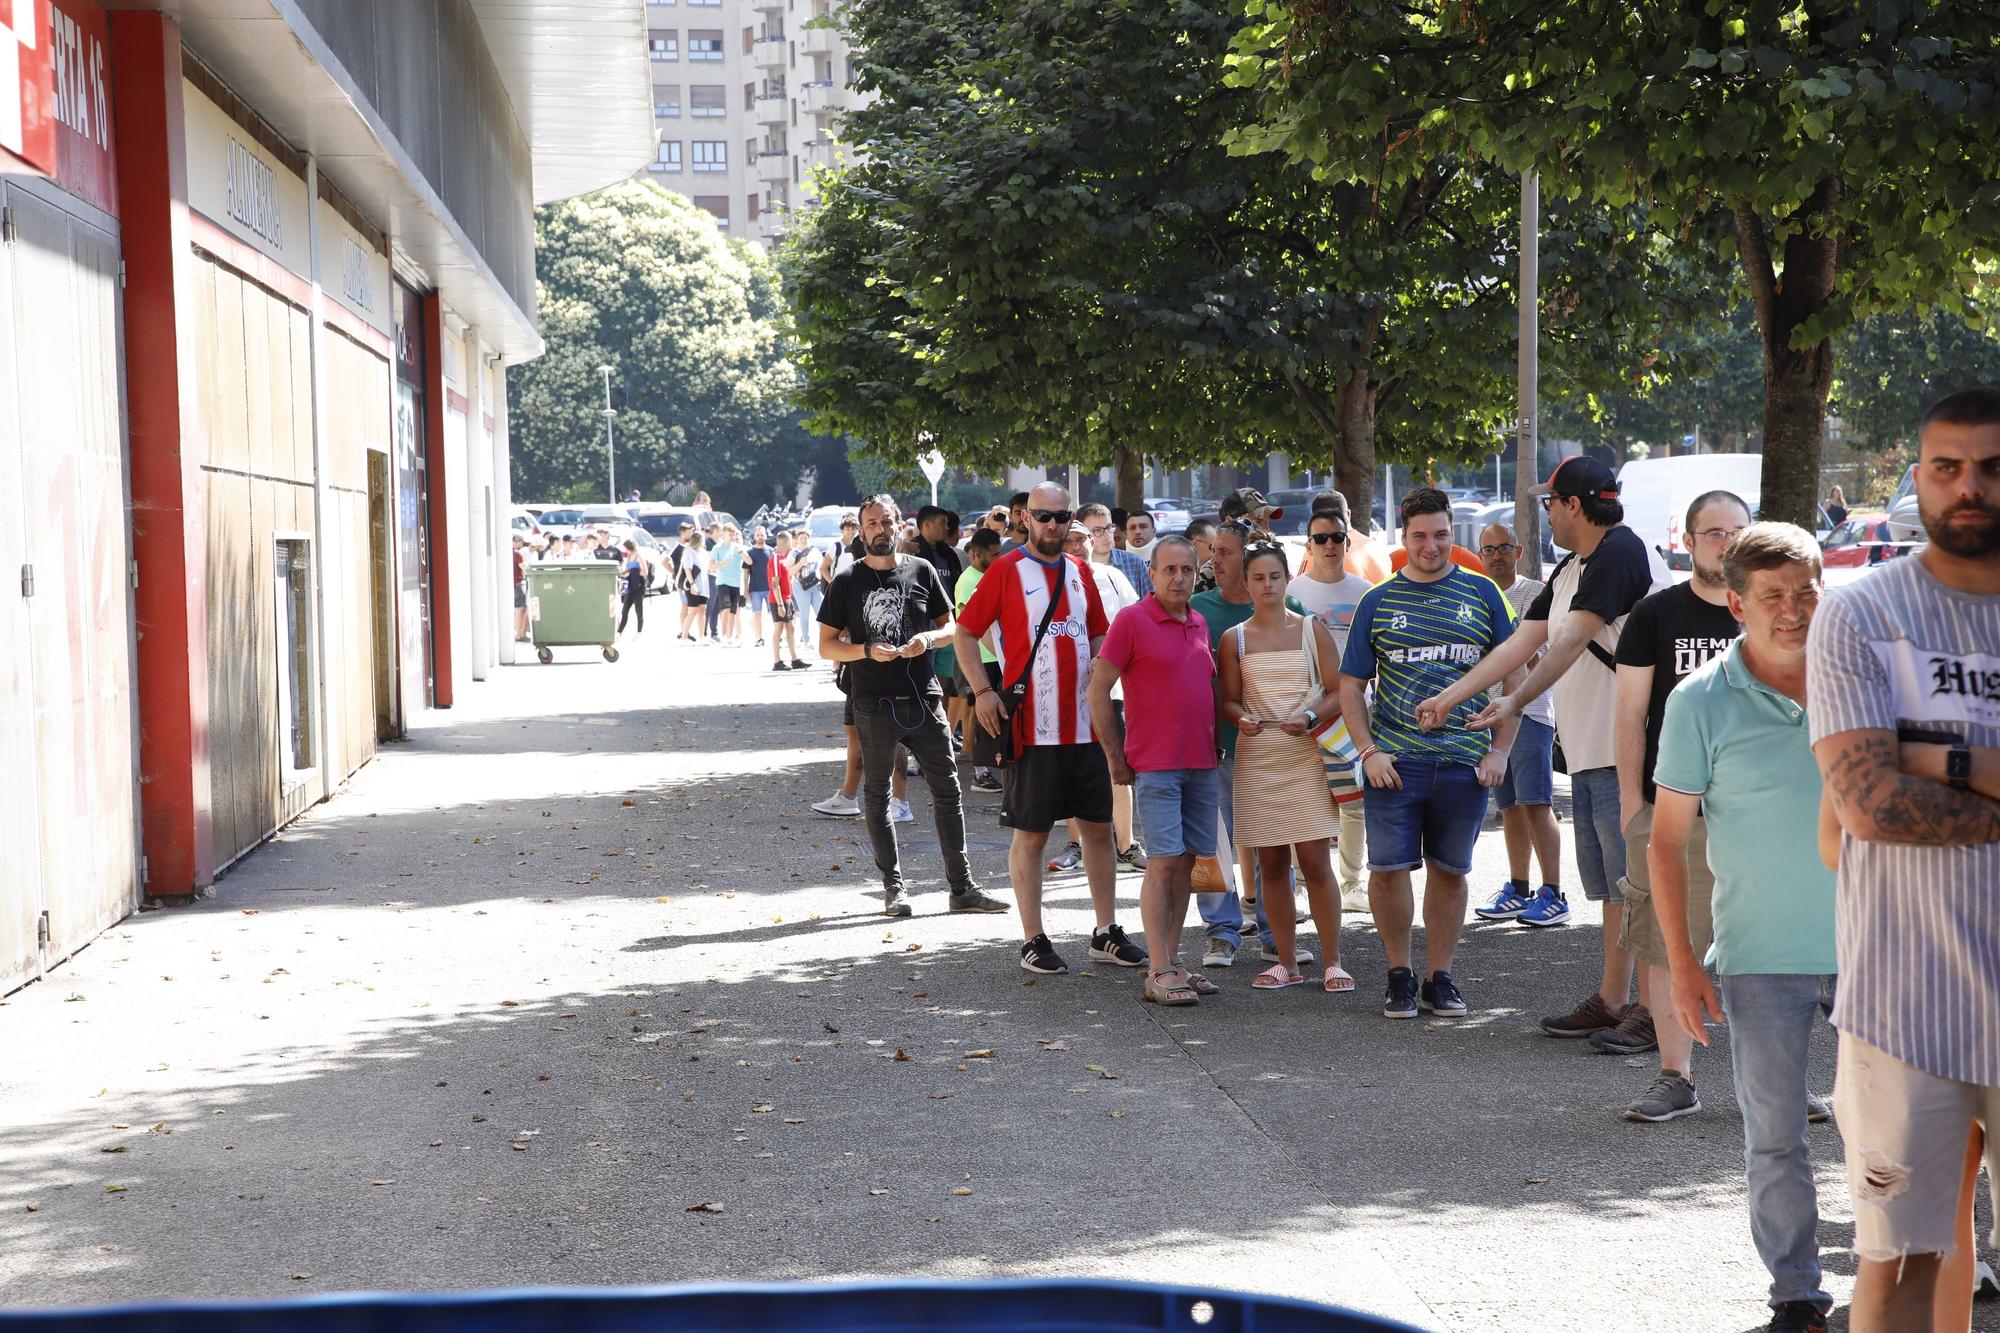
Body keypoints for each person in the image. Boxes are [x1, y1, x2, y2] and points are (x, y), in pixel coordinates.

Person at [1809, 386, 2000, 1333]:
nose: (1970, 486)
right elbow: (1870, 804)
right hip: (1904, 1005)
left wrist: (1927, 748)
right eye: (1947, 467)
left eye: (1993, 468)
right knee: (1905, 1261)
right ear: (1916, 478)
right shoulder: (1859, 615)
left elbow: (1893, 777)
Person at [1651, 523, 1837, 1332]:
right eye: (1773, 597)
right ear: (1736, 604)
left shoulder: (1863, 681)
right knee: (1776, 1139)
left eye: (1806, 592)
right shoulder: (1698, 703)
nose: (1793, 610)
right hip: (1760, 956)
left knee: (1922, 1130)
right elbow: (1666, 841)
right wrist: (1684, 964)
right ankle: (1796, 1293)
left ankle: (1953, 1267)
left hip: (1883, 948)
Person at [1416, 455, 1670, 1040]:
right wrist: (1453, 697)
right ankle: (1612, 1000)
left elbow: (1568, 642)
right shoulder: (1571, 568)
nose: (1548, 513)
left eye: (1550, 503)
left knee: (1641, 885)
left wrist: (1512, 703)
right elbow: (1516, 644)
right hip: (1588, 750)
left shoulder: (1621, 553)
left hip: (1628, 751)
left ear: (1574, 505)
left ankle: (1656, 1013)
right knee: (1611, 887)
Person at [955, 482, 1147, 975]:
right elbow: (965, 631)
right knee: (1033, 834)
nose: (1053, 526)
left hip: (1086, 727)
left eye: (1062, 518)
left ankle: (1105, 931)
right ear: (1025, 519)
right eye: (1043, 516)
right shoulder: (1004, 570)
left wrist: (1108, 675)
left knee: (1099, 832)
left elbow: (1102, 631)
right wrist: (982, 691)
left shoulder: (1082, 571)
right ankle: (1033, 939)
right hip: (1032, 729)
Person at [1342, 487, 1520, 1019]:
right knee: (1389, 869)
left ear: (1452, 534)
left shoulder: (1485, 594)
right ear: (1404, 536)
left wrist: (1500, 751)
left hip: (1464, 760)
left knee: (1450, 870)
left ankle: (1440, 978)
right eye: (1420, 536)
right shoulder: (1377, 601)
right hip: (1394, 762)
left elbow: (1515, 672)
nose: (1431, 546)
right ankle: (1399, 973)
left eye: (1441, 534)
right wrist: (1368, 752)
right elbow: (1351, 684)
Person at [1606, 491, 1751, 1120]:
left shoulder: (1772, 613)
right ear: (1686, 541)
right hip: (1673, 811)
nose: (1724, 542)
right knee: (1666, 944)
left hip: (1756, 814)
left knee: (1766, 950)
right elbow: (1631, 715)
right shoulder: (1655, 615)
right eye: (1712, 532)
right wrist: (1631, 802)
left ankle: (1774, 1080)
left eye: (1736, 531)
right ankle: (1675, 1076)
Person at [815, 495, 1006, 917]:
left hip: (924, 697)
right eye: (871, 523)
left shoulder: (919, 570)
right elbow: (827, 645)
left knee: (948, 791)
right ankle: (893, 889)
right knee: (878, 794)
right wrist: (866, 649)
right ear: (861, 531)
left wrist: (927, 640)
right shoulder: (847, 580)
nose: (879, 529)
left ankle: (962, 888)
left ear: (899, 525)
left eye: (886, 521)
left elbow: (952, 626)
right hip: (872, 702)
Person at [1089, 536, 1221, 1005]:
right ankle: (1158, 969)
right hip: (1157, 766)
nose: (1179, 578)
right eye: (1169, 570)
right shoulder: (1132, 620)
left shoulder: (1200, 621)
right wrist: (1115, 756)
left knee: (1186, 864)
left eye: (1187, 570)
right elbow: (1098, 690)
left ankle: (1174, 960)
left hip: (1201, 764)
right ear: (1152, 573)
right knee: (1163, 863)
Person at [1222, 542, 1350, 992]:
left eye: (1274, 576)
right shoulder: (1234, 638)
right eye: (1257, 578)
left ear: (1286, 579)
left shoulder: (1312, 629)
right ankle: (1285, 960)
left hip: (1305, 753)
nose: (1267, 585)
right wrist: (1242, 718)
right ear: (1246, 583)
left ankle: (1333, 960)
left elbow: (1339, 691)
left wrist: (1311, 717)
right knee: (1270, 863)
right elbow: (1228, 700)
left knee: (1316, 860)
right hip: (1259, 757)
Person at [1189, 521, 1312, 970]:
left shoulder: (1292, 608)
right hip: (1214, 746)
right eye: (1213, 551)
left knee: (1275, 843)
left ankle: (1275, 934)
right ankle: (1220, 933)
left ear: (1249, 560)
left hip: (1276, 749)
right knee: (1213, 843)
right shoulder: (1198, 608)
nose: (1213, 560)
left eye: (1224, 552)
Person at [1469, 522, 1562, 928]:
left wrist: (1513, 693)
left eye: (1503, 547)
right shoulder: (1478, 595)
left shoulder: (1534, 594)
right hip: (1489, 715)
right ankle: (1518, 887)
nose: (1496, 555)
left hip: (1530, 712)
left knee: (1536, 803)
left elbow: (1539, 657)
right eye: (1488, 550)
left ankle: (1554, 893)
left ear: (1519, 551)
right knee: (1509, 807)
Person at [1287, 507, 1371, 914]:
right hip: (1307, 709)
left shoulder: (1364, 591)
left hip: (1355, 708)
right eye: (1321, 538)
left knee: (1354, 800)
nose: (1330, 545)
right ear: (1308, 545)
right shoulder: (1293, 593)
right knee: (1308, 799)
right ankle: (1301, 884)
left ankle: (1354, 883)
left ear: (1347, 542)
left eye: (1337, 537)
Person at [1055, 522, 1146, 873]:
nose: (1078, 546)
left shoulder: (1111, 577)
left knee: (1117, 767)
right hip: (1067, 693)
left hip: (1114, 691)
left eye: (1083, 539)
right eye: (1071, 540)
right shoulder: (1051, 581)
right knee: (1075, 770)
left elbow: (1136, 622)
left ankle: (1125, 845)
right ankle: (1077, 845)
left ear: (1094, 543)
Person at [954, 528, 1005, 794]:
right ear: (975, 554)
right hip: (981, 657)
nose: (998, 558)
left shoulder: (992, 575)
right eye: (993, 555)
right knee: (975, 712)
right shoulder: (968, 580)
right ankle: (979, 772)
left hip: (996, 655)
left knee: (994, 712)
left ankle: (992, 762)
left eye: (1000, 553)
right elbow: (967, 624)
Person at [1079, 502, 1152, 597]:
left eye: (1109, 527)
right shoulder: (1073, 567)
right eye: (1098, 530)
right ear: (1081, 534)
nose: (1107, 535)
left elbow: (1152, 606)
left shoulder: (1135, 563)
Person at [768, 531, 806, 670]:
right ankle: (777, 662)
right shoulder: (776, 559)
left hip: (787, 599)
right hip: (778, 600)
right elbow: (775, 584)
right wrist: (780, 605)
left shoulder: (784, 558)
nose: (792, 545)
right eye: (790, 542)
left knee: (791, 628)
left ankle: (795, 659)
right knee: (778, 629)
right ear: (786, 543)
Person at [710, 524, 746, 646]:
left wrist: (741, 551)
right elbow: (711, 565)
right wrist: (722, 565)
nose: (732, 537)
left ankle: (730, 637)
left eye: (733, 534)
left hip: (735, 583)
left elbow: (749, 561)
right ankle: (724, 635)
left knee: (732, 611)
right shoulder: (717, 548)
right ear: (723, 534)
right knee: (725, 609)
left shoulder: (737, 547)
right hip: (722, 582)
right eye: (729, 534)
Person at [676, 529, 710, 641]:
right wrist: (692, 584)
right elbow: (687, 569)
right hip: (692, 585)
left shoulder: (704, 553)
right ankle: (684, 635)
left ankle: (701, 636)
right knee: (693, 610)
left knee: (702, 609)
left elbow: (708, 567)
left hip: (703, 585)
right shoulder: (688, 551)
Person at [744, 527, 774, 648]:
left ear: (766, 536)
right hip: (755, 588)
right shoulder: (749, 553)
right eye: (757, 535)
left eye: (762, 535)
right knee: (757, 614)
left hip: (770, 588)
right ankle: (759, 638)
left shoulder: (771, 551)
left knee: (774, 614)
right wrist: (745, 589)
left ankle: (777, 637)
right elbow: (746, 573)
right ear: (754, 537)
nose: (760, 537)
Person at [617, 540, 647, 635]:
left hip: (639, 584)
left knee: (638, 609)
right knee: (625, 609)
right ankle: (620, 631)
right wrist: (622, 572)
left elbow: (645, 572)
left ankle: (639, 631)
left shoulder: (639, 556)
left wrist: (635, 572)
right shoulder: (629, 556)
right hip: (630, 585)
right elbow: (628, 568)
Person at [512, 536, 530, 642]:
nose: (522, 544)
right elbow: (523, 567)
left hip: (513, 584)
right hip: (518, 584)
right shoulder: (516, 554)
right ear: (516, 542)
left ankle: (519, 633)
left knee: (519, 608)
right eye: (521, 542)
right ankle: (519, 634)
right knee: (521, 609)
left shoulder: (508, 553)